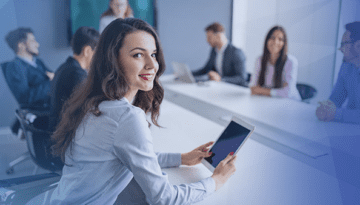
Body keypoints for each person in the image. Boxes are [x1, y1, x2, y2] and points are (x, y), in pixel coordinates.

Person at [49, 18, 237, 204]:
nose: (152, 64)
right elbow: (165, 198)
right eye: (138, 55)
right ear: (113, 60)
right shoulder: (125, 117)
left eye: (153, 54)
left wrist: (182, 158)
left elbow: (135, 155)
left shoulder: (94, 102)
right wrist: (215, 181)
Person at [49, 27, 100, 132]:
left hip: (57, 128)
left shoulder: (64, 67)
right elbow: (88, 108)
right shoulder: (77, 74)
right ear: (87, 51)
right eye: (97, 52)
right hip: (66, 133)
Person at [316, 22, 360, 124]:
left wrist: (336, 114)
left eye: (343, 44)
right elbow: (336, 98)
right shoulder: (346, 66)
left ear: (358, 45)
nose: (340, 49)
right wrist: (325, 108)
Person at [2, 27, 54, 109]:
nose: (37, 44)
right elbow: (24, 98)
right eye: (33, 41)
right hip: (39, 114)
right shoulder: (14, 67)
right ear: (21, 45)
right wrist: (51, 82)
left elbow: (55, 77)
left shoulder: (38, 62)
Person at [249, 26, 301, 101]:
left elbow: (288, 92)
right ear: (267, 40)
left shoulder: (291, 61)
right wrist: (278, 92)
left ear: (284, 43)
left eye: (280, 39)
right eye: (272, 38)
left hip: (291, 103)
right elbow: (253, 88)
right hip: (269, 101)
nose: (275, 42)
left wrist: (261, 90)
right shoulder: (260, 60)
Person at [192, 22, 247, 86]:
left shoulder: (236, 52)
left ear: (218, 35)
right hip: (221, 87)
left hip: (234, 89)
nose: (207, 40)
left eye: (209, 37)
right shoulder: (214, 50)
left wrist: (221, 79)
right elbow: (206, 69)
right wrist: (187, 74)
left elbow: (242, 78)